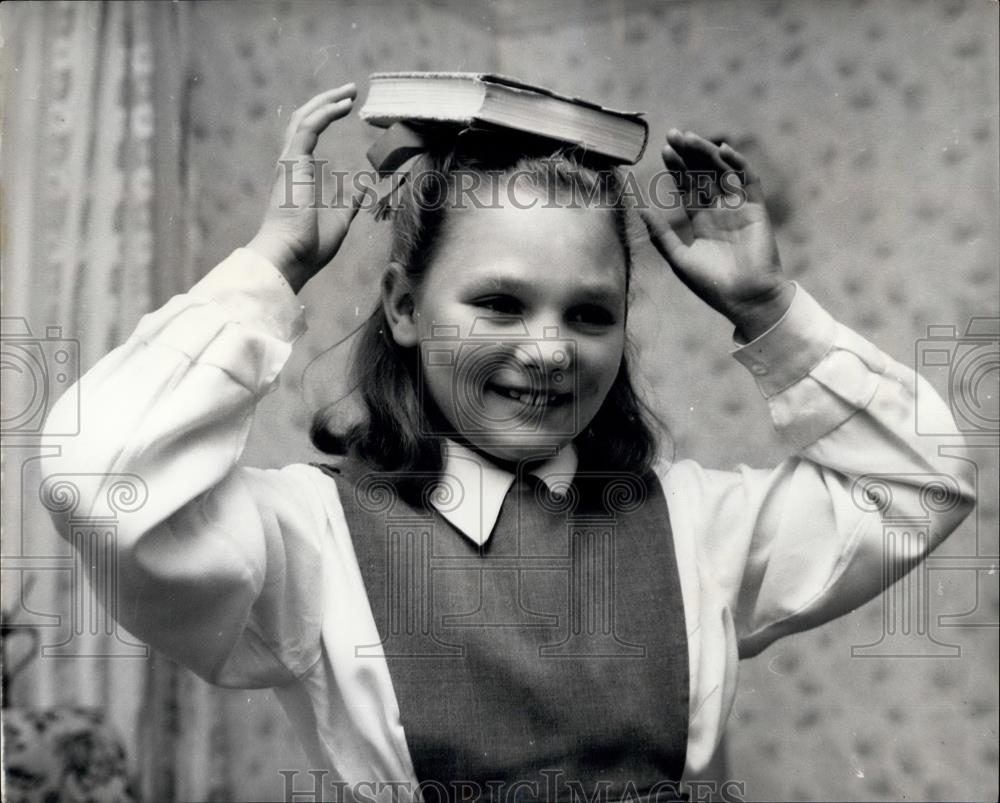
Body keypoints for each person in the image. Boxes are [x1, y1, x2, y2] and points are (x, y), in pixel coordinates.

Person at [42, 82, 974, 802]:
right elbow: (99, 479)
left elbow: (923, 481)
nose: (548, 349)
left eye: (590, 313)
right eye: (498, 302)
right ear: (405, 307)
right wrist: (270, 265)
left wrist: (771, 312)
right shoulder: (311, 536)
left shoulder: (699, 524)